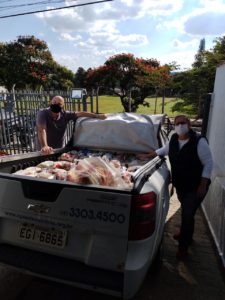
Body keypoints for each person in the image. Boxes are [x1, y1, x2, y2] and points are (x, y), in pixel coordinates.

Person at [137, 115, 213, 260]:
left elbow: (208, 163)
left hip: (196, 186)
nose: (180, 125)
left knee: (187, 214)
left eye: (183, 123)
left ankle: (183, 247)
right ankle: (187, 234)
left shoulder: (199, 141)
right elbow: (163, 151)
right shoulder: (173, 139)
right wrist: (147, 156)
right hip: (181, 185)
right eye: (177, 123)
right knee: (187, 213)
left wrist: (203, 184)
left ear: (189, 124)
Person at [36, 95, 107, 154]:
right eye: (54, 102)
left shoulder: (65, 114)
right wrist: (45, 146)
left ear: (62, 106)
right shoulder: (43, 113)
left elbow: (80, 113)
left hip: (58, 150)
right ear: (51, 102)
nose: (55, 105)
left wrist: (97, 116)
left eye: (59, 104)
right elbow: (42, 130)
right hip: (44, 150)